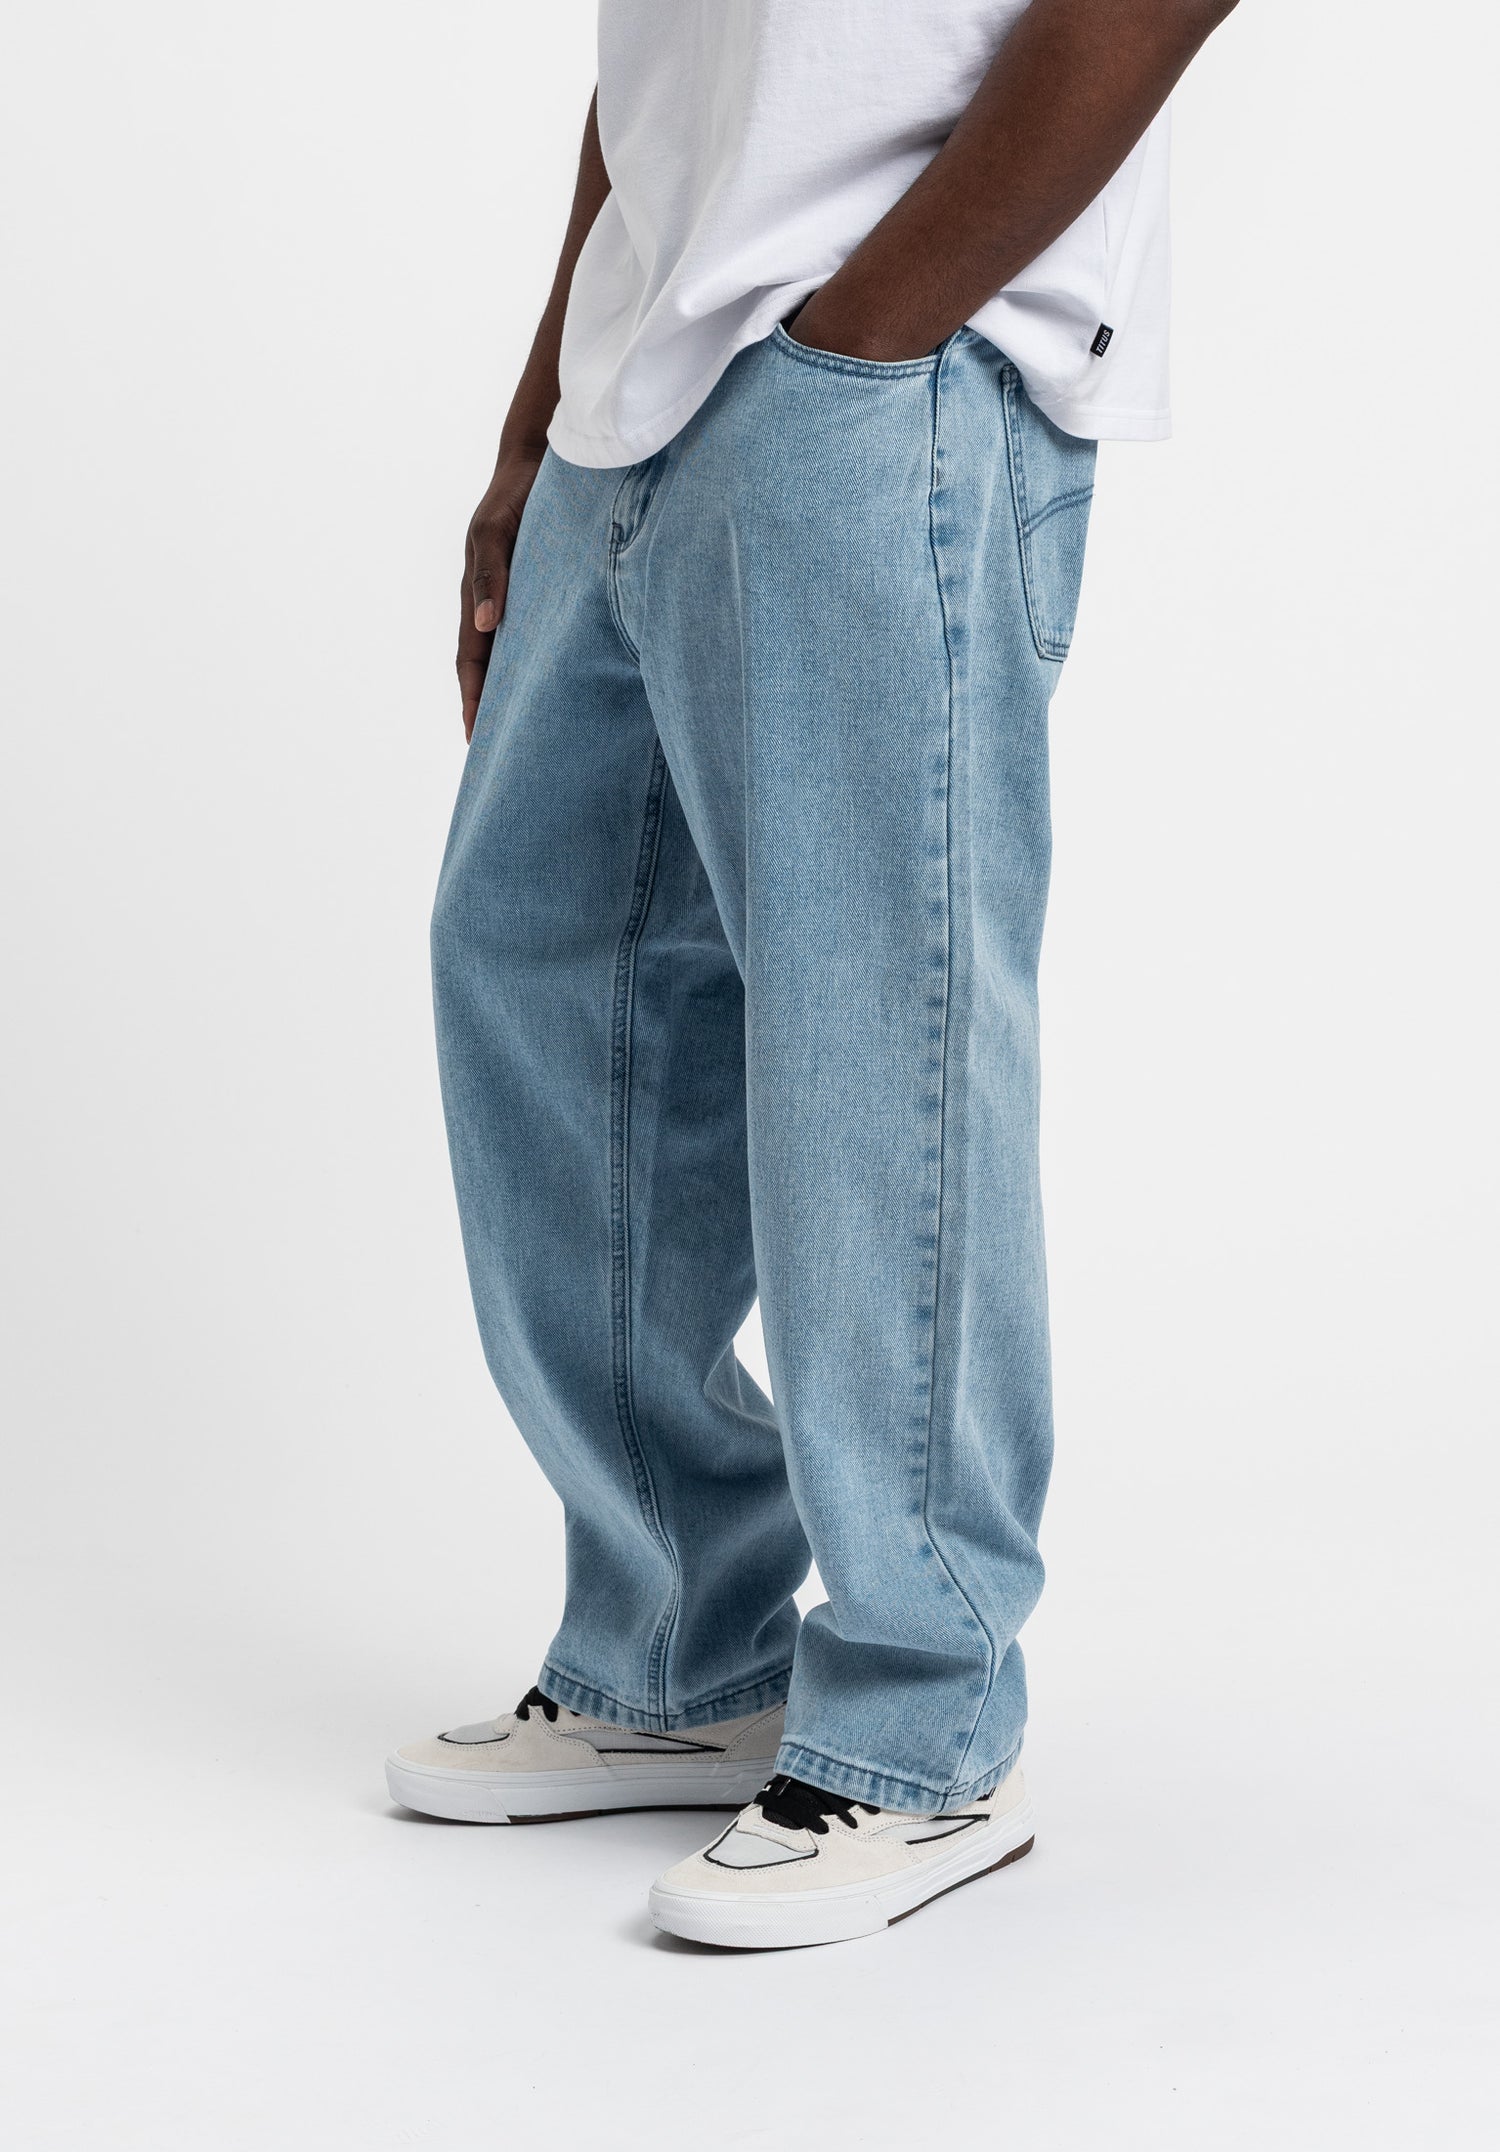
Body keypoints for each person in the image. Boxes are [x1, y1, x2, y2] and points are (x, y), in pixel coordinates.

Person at [386, 0, 1238, 1950]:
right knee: (537, 974)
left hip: (883, 383)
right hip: (641, 391)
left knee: (877, 1030)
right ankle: (677, 1646)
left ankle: (922, 1726)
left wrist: (869, 332)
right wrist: (541, 411)